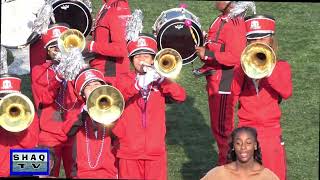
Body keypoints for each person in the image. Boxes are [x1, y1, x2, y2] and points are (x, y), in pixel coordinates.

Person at [112, 34, 187, 180]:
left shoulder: (160, 81)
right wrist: (139, 84)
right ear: (132, 60)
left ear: (153, 59)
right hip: (129, 151)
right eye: (137, 57)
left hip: (155, 151)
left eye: (146, 56)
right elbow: (118, 98)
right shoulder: (123, 79)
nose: (141, 60)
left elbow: (181, 96)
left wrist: (163, 80)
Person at [232, 14, 293, 180]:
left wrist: (267, 68)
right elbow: (233, 94)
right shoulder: (241, 67)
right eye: (252, 39)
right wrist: (242, 69)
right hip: (246, 133)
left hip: (271, 134)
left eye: (262, 38)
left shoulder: (281, 67)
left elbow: (286, 92)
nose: (257, 43)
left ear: (271, 40)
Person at [194, 1, 248, 165]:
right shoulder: (221, 19)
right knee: (218, 128)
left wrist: (207, 53)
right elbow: (217, 46)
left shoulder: (235, 22)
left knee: (224, 129)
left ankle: (227, 168)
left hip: (226, 78)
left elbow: (236, 56)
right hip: (216, 77)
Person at [31, 23, 79, 178]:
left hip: (74, 130)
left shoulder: (80, 68)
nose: (57, 50)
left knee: (78, 174)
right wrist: (58, 76)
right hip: (48, 132)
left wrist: (76, 68)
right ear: (47, 50)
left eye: (60, 46)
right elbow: (44, 98)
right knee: (42, 174)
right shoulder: (39, 70)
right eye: (53, 47)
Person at [60, 67, 118, 178]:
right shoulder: (77, 113)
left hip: (108, 174)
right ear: (82, 94)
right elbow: (67, 132)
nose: (93, 89)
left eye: (96, 85)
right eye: (88, 87)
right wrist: (83, 113)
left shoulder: (113, 110)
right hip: (81, 174)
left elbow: (120, 135)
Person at [201, 126, 279, 180]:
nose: (243, 147)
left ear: (255, 145)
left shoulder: (267, 177)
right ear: (233, 147)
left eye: (248, 143)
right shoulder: (218, 174)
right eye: (238, 143)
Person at [0, 74, 39, 177]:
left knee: (40, 161)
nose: (6, 102)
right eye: (2, 97)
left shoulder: (29, 113)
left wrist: (20, 130)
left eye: (11, 98)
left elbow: (32, 144)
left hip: (20, 166)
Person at [86, 0, 131, 84]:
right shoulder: (108, 5)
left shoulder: (117, 7)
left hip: (111, 75)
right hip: (103, 70)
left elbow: (120, 49)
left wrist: (90, 46)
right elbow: (104, 36)